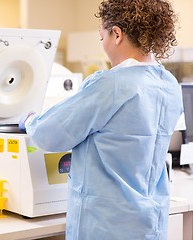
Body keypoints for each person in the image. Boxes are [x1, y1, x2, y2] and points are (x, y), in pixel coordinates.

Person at [19, 0, 182, 239]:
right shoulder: (169, 84)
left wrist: (31, 119)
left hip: (106, 225)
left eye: (102, 36)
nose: (103, 44)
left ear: (116, 34)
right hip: (149, 222)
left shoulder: (111, 84)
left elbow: (48, 135)